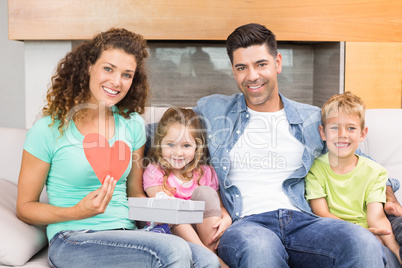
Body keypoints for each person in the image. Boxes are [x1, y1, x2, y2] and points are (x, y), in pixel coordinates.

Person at [193, 22, 400, 267]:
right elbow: (164, 133)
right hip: (246, 224)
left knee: (362, 241)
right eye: (242, 67)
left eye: (261, 64)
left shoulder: (312, 119)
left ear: (278, 63)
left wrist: (388, 194)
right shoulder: (214, 110)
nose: (252, 76)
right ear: (233, 71)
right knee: (260, 250)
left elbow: (361, 162)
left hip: (305, 222)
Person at [16, 28, 219, 268]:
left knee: (206, 260)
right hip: (73, 237)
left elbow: (134, 193)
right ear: (88, 67)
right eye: (108, 68)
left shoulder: (132, 124)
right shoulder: (48, 129)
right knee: (172, 252)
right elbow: (25, 208)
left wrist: (171, 211)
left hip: (127, 234)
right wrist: (76, 211)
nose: (116, 82)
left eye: (127, 74)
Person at [305, 92, 401, 264]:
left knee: (389, 259)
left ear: (363, 134)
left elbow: (377, 217)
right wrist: (362, 233)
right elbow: (321, 213)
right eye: (334, 127)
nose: (342, 134)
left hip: (371, 231)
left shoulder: (375, 172)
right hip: (335, 234)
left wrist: (396, 251)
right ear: (323, 132)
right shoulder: (315, 170)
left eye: (351, 128)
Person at [143, 107, 231, 268]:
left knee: (205, 192)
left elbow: (219, 207)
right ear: (159, 144)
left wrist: (227, 218)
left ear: (197, 147)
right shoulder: (154, 172)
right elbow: (165, 213)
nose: (178, 152)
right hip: (171, 235)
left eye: (186, 146)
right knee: (170, 207)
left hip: (204, 234)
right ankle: (212, 260)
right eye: (171, 144)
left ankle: (208, 258)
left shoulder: (206, 173)